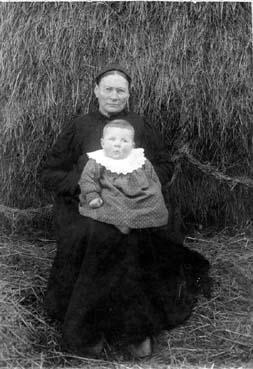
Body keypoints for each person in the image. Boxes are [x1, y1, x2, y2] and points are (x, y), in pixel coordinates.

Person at [41, 64, 211, 359]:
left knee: (136, 237)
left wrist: (140, 182)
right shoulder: (79, 127)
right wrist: (84, 185)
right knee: (97, 236)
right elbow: (50, 173)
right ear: (96, 91)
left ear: (129, 94)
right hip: (87, 208)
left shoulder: (141, 126)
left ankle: (133, 331)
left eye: (121, 90)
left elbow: (165, 165)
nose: (114, 95)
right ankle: (86, 331)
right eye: (108, 89)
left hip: (133, 207)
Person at [79, 119, 169, 234]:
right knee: (111, 202)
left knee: (155, 200)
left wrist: (155, 190)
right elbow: (87, 179)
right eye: (112, 139)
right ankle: (121, 223)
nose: (117, 144)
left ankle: (148, 223)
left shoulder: (139, 159)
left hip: (139, 193)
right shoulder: (99, 160)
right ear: (103, 143)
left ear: (132, 145)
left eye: (124, 141)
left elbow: (152, 176)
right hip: (112, 192)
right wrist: (92, 195)